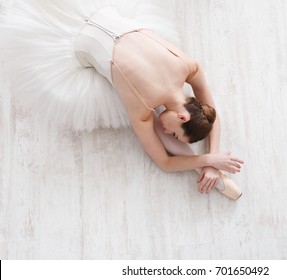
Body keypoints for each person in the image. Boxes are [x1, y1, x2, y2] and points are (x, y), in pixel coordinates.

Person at [0, 1, 244, 199]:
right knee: (153, 119)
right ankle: (206, 173)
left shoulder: (189, 66)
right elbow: (165, 162)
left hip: (99, 10)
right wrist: (210, 159)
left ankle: (210, 174)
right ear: (183, 116)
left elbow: (212, 112)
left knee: (156, 117)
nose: (168, 133)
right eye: (176, 134)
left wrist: (214, 159)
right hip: (71, 41)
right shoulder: (141, 108)